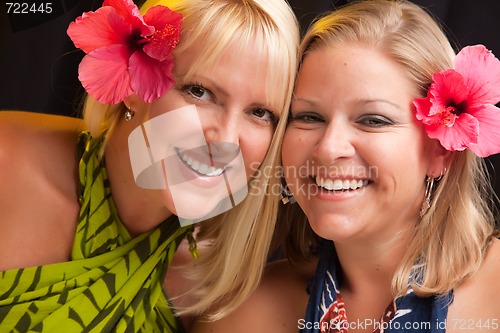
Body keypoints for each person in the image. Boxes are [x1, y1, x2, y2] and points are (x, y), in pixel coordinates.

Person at [191, 0, 500, 332]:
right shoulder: (243, 316)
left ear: (441, 151)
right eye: (309, 117)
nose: (328, 149)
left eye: (372, 120)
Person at [0, 0, 299, 331]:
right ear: (132, 80)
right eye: (199, 92)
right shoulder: (7, 165)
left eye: (260, 113)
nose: (225, 140)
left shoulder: (214, 284)